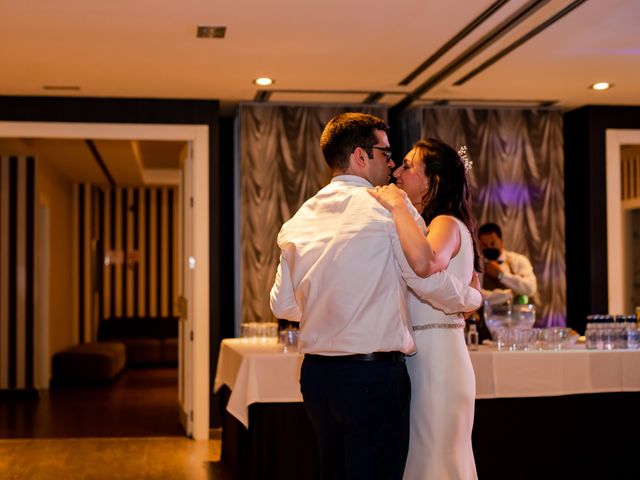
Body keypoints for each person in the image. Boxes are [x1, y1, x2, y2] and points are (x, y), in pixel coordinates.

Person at [270, 113, 482, 480]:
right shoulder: (390, 210)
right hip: (371, 376)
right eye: (385, 153)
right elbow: (427, 279)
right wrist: (472, 297)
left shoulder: (298, 219)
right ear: (359, 156)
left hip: (317, 378)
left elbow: (283, 305)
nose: (392, 163)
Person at [368, 138, 481, 480]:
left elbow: (429, 263)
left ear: (432, 180)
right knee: (426, 453)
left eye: (407, 166)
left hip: (438, 360)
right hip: (427, 356)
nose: (397, 172)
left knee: (436, 456)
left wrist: (397, 206)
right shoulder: (430, 225)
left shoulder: (444, 223)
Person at [477, 222, 537, 306]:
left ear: (501, 242)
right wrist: (510, 294)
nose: (489, 248)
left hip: (517, 317)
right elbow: (477, 297)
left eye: (493, 244)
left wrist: (501, 275)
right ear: (479, 245)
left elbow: (530, 288)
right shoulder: (476, 266)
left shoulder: (518, 260)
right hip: (487, 318)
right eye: (485, 245)